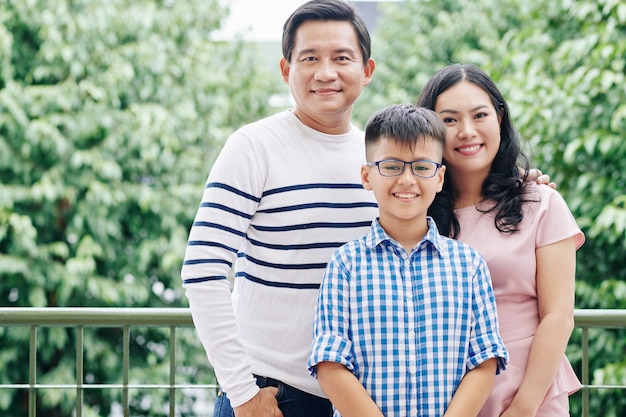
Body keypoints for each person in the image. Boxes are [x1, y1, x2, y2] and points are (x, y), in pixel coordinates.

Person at [181, 1, 377, 416]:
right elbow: (202, 270)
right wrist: (243, 394)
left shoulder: (380, 160)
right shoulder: (253, 146)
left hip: (361, 398)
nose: (326, 72)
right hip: (274, 396)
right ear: (287, 70)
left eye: (342, 58)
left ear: (367, 70)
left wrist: (525, 183)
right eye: (310, 58)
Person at [308, 103, 509, 417]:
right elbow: (329, 364)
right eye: (391, 166)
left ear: (439, 177)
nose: (406, 179)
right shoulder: (345, 265)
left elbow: (485, 360)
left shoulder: (468, 265)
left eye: (421, 167)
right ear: (367, 175)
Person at [416, 63, 585, 417]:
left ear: (499, 117)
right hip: (443, 394)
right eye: (448, 120)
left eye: (480, 115)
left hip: (527, 391)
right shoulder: (417, 210)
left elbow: (558, 315)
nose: (467, 131)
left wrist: (523, 406)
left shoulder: (541, 202)